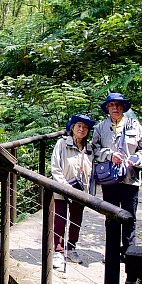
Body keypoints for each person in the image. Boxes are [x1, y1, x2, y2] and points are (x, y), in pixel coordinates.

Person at [91, 93, 142, 262]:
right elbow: (94, 149)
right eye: (112, 105)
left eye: (118, 105)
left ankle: (129, 252)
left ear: (123, 107)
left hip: (130, 179)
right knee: (111, 217)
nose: (115, 108)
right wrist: (109, 155)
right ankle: (111, 253)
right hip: (109, 180)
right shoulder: (101, 127)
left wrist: (136, 159)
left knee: (129, 216)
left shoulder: (135, 126)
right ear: (108, 108)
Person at [50, 114, 95, 268]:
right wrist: (64, 187)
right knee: (60, 220)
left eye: (85, 127)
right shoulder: (61, 144)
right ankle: (58, 251)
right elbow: (55, 168)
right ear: (72, 128)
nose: (82, 129)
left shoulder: (89, 148)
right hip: (62, 189)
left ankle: (71, 248)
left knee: (76, 220)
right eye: (79, 126)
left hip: (81, 191)